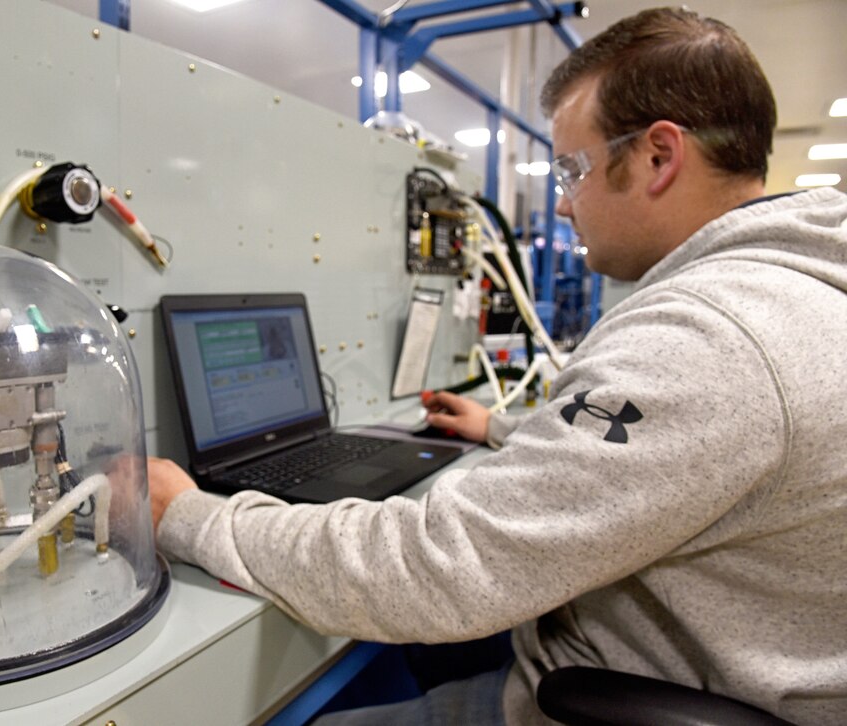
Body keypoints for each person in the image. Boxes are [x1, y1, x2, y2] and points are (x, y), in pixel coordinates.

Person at [148, 7, 847, 724]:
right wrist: (504, 430)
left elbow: (438, 567)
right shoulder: (794, 290)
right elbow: (684, 458)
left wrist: (194, 517)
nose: (565, 203)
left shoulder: (708, 337)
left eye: (572, 168)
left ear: (658, 157)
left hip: (596, 696)